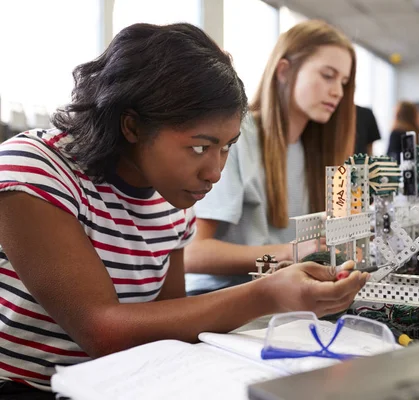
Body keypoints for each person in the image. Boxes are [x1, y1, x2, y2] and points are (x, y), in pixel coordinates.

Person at [0, 23, 367, 397]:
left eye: (226, 147)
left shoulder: (171, 195)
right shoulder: (33, 171)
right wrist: (267, 293)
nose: (215, 172)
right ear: (132, 126)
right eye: (199, 147)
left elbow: (170, 318)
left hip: (126, 381)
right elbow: (102, 330)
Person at [184, 20, 357, 295]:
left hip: (282, 301)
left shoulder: (314, 152)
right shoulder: (236, 138)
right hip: (223, 302)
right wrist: (292, 251)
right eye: (327, 75)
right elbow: (192, 254)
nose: (337, 91)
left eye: (344, 82)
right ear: (284, 70)